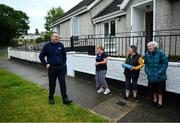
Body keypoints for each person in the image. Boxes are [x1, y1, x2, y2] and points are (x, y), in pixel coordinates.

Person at [39, 32, 72, 105]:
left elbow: (64, 55)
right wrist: (45, 64)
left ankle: (65, 99)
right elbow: (41, 56)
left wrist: (64, 63)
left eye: (58, 37)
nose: (57, 38)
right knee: (52, 84)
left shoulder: (60, 45)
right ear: (51, 37)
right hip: (52, 68)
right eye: (55, 36)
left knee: (62, 83)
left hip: (61, 68)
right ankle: (51, 98)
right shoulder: (46, 46)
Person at [145, 41, 168, 109]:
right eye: (148, 46)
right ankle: (155, 100)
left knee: (160, 90)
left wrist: (160, 71)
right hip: (151, 76)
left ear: (154, 46)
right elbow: (146, 64)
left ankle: (160, 102)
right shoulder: (147, 54)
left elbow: (165, 63)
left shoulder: (161, 53)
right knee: (153, 89)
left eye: (150, 46)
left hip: (160, 76)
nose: (149, 48)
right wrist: (147, 72)